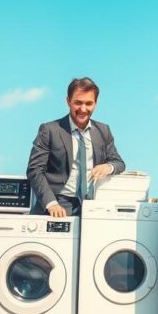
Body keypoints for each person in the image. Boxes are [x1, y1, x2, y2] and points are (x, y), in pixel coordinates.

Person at [26, 77, 126, 217]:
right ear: (68, 101)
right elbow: (35, 170)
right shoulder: (49, 130)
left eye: (89, 103)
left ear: (95, 104)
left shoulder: (103, 131)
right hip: (58, 204)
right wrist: (51, 203)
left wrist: (108, 167)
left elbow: (119, 163)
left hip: (93, 206)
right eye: (78, 103)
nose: (83, 109)